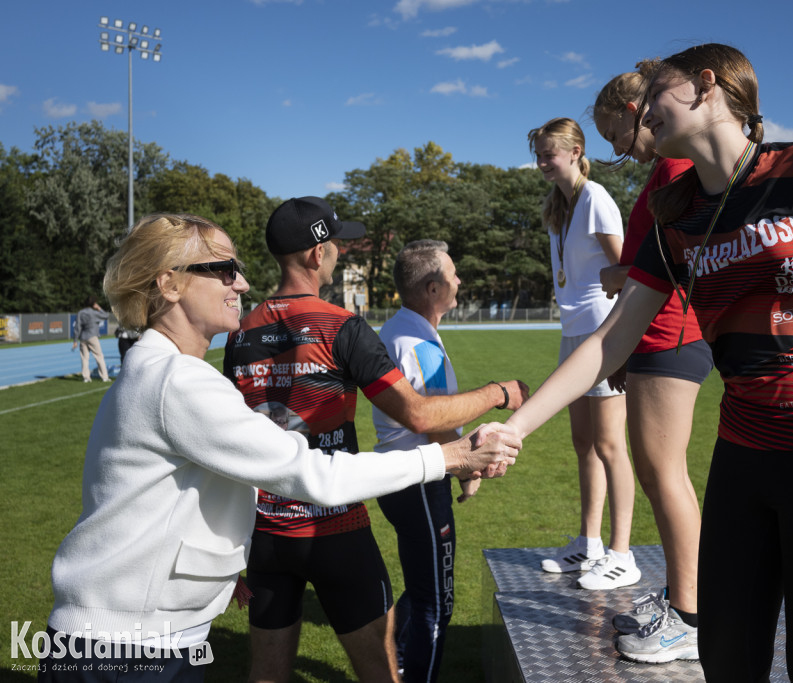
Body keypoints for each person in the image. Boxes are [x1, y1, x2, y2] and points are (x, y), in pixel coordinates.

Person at [500, 43, 793, 682]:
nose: (643, 108)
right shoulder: (675, 212)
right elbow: (612, 340)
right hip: (742, 462)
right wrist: (515, 427)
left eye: (655, 91)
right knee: (726, 660)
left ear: (705, 86)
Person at [39, 213, 518, 682]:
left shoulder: (163, 368)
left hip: (129, 628)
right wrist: (455, 452)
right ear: (169, 284)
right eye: (225, 270)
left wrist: (223, 562)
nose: (242, 284)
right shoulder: (178, 382)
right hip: (131, 646)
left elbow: (190, 481)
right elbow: (317, 473)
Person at [222, 198, 528, 683]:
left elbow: (232, 447)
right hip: (334, 529)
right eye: (336, 244)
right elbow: (420, 412)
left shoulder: (239, 335)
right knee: (382, 676)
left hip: (265, 534)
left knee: (266, 676)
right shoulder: (341, 326)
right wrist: (498, 393)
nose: (340, 252)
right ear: (314, 255)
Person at [587, 61, 713, 663]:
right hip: (655, 337)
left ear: (642, 113)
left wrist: (616, 275)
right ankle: (679, 598)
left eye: (617, 135)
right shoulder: (663, 167)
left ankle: (688, 616)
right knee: (661, 472)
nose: (618, 150)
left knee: (665, 475)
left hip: (672, 334)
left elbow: (658, 268)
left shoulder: (672, 163)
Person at [373, 239, 525, 682]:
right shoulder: (420, 343)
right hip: (421, 481)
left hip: (401, 477)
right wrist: (468, 471)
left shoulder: (400, 328)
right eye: (454, 274)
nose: (461, 280)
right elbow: (434, 420)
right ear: (435, 288)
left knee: (425, 587)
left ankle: (396, 659)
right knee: (438, 600)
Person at [526, 117, 639, 590]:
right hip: (572, 331)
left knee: (612, 445)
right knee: (583, 444)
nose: (542, 163)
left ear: (575, 152)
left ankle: (621, 553)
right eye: (539, 155)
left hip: (603, 331)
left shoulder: (595, 199)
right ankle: (588, 544)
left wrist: (624, 342)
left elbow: (629, 269)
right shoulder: (559, 207)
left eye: (549, 153)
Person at [72, 295, 110, 382]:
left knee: (84, 358)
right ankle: (104, 377)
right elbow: (106, 316)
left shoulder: (80, 313)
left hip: (83, 337)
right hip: (92, 336)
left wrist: (75, 340)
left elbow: (77, 327)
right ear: (93, 304)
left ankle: (86, 377)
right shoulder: (94, 313)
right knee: (99, 356)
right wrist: (99, 308)